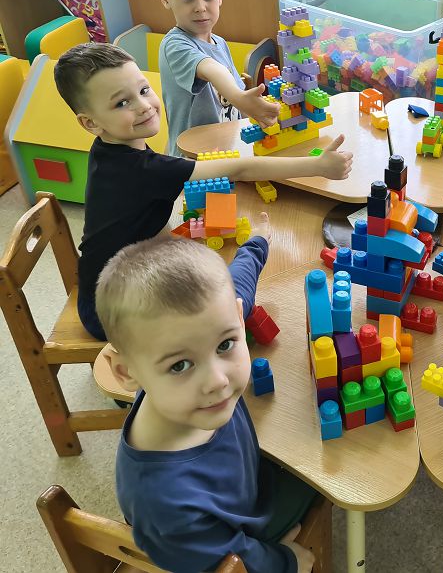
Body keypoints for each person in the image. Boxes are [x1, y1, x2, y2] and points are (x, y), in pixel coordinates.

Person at [54, 42, 352, 340]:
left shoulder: (108, 150)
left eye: (144, 90)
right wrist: (317, 166)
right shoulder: (141, 169)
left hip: (115, 284)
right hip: (114, 313)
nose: (143, 106)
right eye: (122, 103)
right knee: (230, 306)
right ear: (90, 123)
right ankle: (255, 249)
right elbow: (240, 169)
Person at [97, 223, 317, 573]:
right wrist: (284, 562)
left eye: (225, 344)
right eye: (180, 365)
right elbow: (225, 561)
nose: (218, 380)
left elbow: (237, 285)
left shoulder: (198, 336)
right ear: (126, 372)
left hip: (247, 486)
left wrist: (256, 244)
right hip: (244, 534)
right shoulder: (166, 504)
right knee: (325, 482)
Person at [158, 0, 280, 155]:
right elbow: (212, 70)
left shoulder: (220, 44)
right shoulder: (174, 46)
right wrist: (240, 99)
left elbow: (238, 96)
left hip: (225, 153)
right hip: (192, 161)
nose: (200, 7)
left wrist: (256, 112)